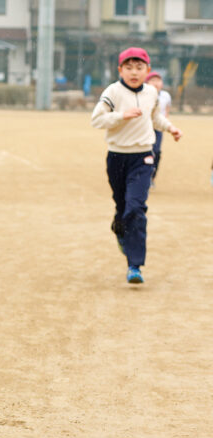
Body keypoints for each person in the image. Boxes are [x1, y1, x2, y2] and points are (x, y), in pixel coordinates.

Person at [91, 47, 182, 285]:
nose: (134, 72)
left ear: (148, 71)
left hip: (143, 157)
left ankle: (135, 265)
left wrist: (170, 127)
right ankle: (120, 227)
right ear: (120, 69)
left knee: (136, 208)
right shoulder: (113, 91)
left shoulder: (152, 93)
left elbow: (154, 118)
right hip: (117, 158)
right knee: (123, 207)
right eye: (129, 67)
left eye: (139, 68)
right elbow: (97, 119)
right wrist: (121, 115)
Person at [144, 71, 172, 186]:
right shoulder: (144, 94)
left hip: (158, 128)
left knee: (156, 152)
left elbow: (167, 109)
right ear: (147, 83)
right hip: (145, 128)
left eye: (158, 80)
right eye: (153, 80)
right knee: (145, 152)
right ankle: (143, 177)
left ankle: (152, 177)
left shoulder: (165, 95)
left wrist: (165, 122)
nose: (156, 83)